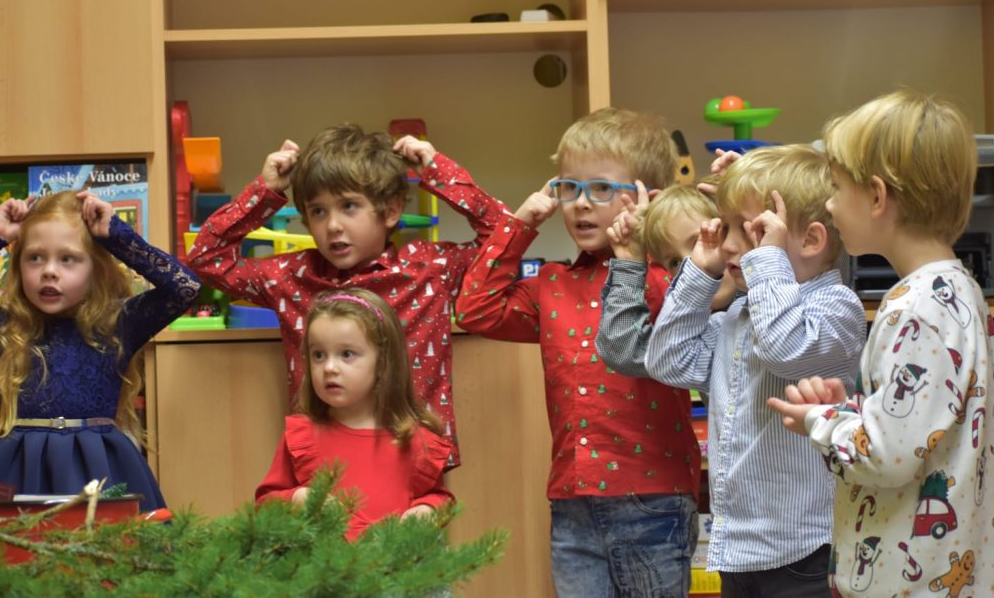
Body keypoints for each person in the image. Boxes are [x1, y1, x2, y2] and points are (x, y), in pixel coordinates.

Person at [767, 90, 994, 596]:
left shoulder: (913, 308)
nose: (829, 204)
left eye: (836, 188)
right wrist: (853, 410)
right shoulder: (958, 290)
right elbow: (924, 426)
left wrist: (820, 422)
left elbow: (885, 456)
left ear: (877, 198)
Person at [455, 108, 703, 597]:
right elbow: (475, 310)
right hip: (572, 501)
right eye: (569, 187)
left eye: (602, 188)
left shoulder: (668, 279)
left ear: (648, 197)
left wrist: (651, 237)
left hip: (654, 498)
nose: (582, 203)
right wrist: (520, 224)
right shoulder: (552, 285)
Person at [187, 125, 505, 469]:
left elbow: (506, 237)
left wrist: (439, 171)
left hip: (414, 463)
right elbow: (205, 259)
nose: (333, 226)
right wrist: (264, 191)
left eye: (349, 206)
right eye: (318, 211)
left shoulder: (430, 269)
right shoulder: (291, 277)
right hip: (324, 465)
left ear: (391, 210)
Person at [644, 143, 867, 597]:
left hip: (807, 547)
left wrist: (766, 260)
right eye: (726, 227)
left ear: (810, 241)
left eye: (751, 231)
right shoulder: (737, 316)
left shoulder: (837, 307)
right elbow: (666, 360)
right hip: (739, 549)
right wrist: (699, 274)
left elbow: (783, 346)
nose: (728, 244)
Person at [0, 191, 200, 511]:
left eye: (68, 258)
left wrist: (116, 235)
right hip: (19, 472)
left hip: (104, 471)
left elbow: (185, 288)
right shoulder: (7, 330)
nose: (49, 271)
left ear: (95, 270)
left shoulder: (117, 324)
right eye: (35, 257)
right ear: (18, 267)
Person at [255, 288, 453, 540]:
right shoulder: (301, 437)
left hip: (395, 564)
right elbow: (265, 503)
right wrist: (298, 498)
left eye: (347, 354)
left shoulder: (414, 440)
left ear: (383, 363)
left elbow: (438, 497)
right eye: (318, 355)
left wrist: (427, 510)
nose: (329, 367)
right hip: (320, 564)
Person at [596, 182, 737, 379]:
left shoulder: (769, 299)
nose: (690, 265)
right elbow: (625, 351)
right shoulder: (694, 334)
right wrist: (630, 262)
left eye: (701, 241)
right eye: (675, 262)